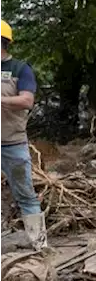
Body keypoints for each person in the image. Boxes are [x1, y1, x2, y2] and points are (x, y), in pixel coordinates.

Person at [0, 21, 44, 250]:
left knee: (25, 195)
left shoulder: (20, 69)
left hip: (12, 143)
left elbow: (27, 100)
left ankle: (39, 246)